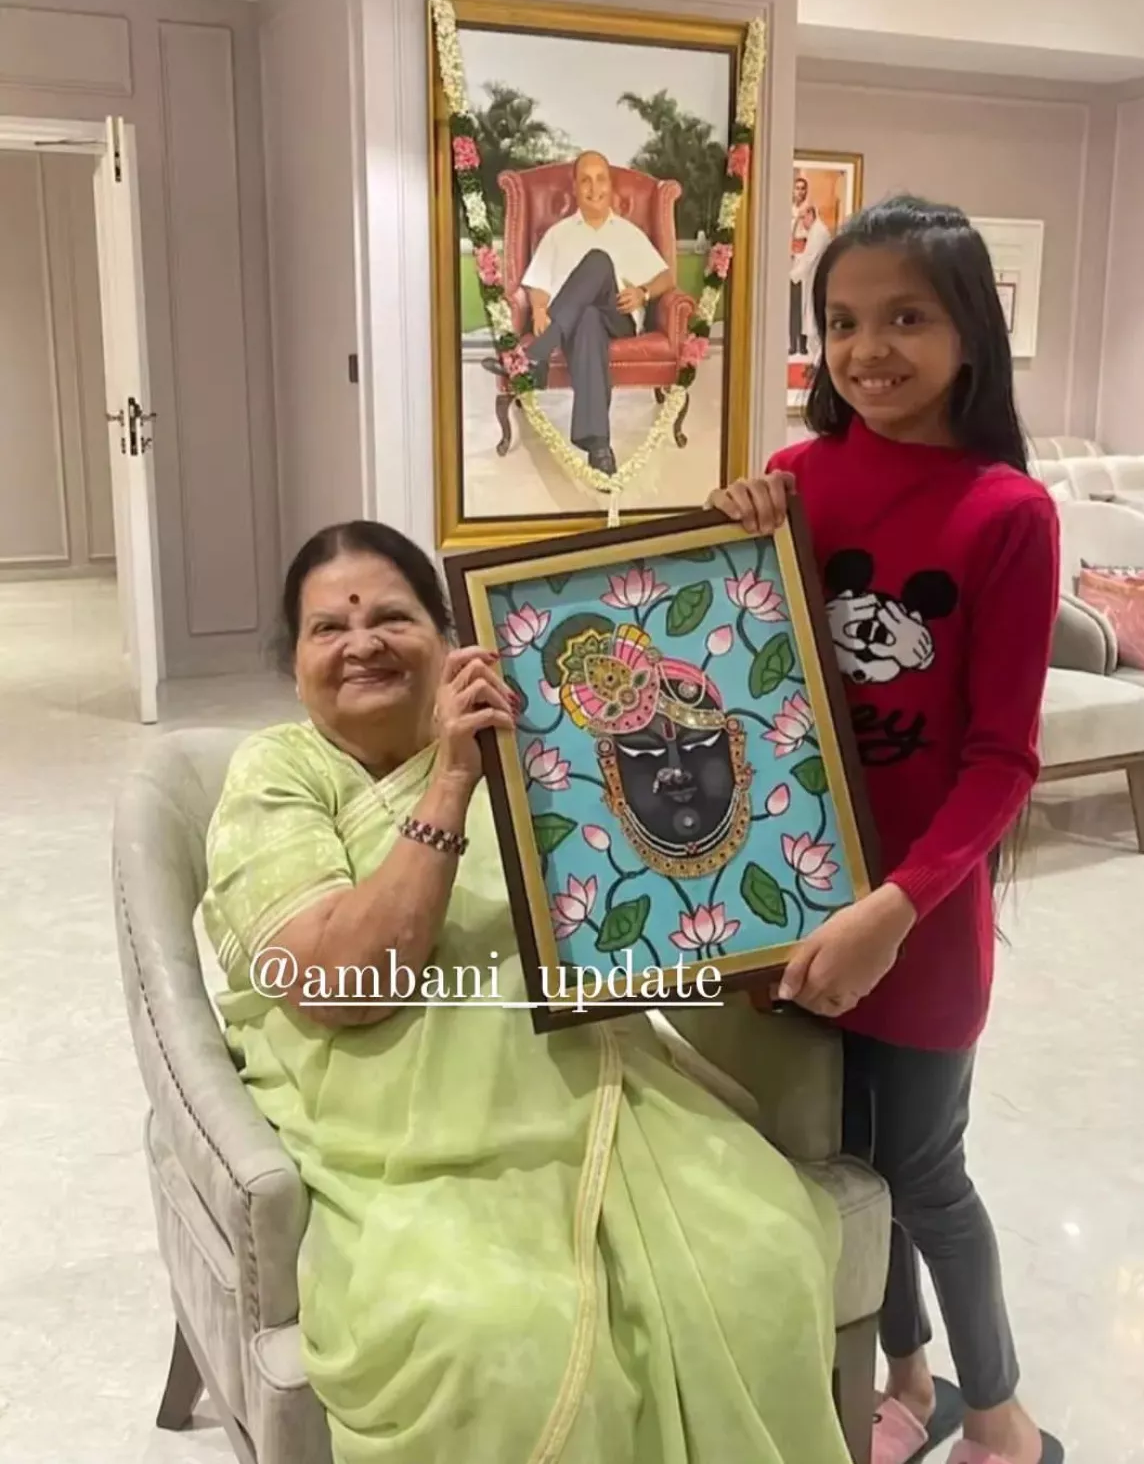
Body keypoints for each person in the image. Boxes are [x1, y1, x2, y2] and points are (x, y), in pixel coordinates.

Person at [199, 518, 854, 1464]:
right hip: (391, 1125)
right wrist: (450, 783)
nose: (363, 643)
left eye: (392, 618)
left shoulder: (538, 740)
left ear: (448, 636)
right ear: (294, 663)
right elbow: (341, 981)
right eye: (328, 628)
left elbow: (667, 879)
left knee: (760, 1257)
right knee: (501, 1336)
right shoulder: (280, 771)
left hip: (592, 1079)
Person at [707, 195, 1063, 1464]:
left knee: (926, 1172)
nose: (868, 350)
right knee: (848, 1165)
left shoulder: (1007, 512)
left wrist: (894, 911)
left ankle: (1002, 1414)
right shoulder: (796, 481)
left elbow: (1002, 760)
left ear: (971, 332)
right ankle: (902, 1374)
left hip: (918, 920)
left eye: (907, 318)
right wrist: (721, 534)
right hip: (793, 898)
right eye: (844, 321)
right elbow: (735, 671)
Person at [485, 150, 674, 476]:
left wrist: (643, 293)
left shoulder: (628, 233)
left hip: (618, 317)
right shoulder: (558, 234)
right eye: (585, 180)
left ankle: (538, 354)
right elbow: (537, 282)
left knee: (598, 260)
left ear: (611, 185)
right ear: (574, 187)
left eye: (601, 179)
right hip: (575, 324)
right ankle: (599, 446)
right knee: (586, 318)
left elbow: (666, 278)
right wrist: (539, 307)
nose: (594, 187)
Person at [790, 173, 832, 357]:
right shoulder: (815, 230)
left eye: (803, 219)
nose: (802, 224)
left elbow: (809, 259)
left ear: (810, 215)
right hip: (807, 275)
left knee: (814, 324)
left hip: (816, 279)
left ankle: (817, 361)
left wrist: (792, 275)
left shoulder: (819, 233)